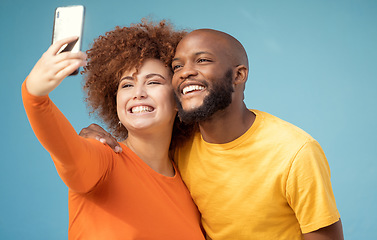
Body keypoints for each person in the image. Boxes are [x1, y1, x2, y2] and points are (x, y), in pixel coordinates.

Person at [80, 29, 344, 239]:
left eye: (202, 60)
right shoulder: (178, 148)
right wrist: (93, 139)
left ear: (238, 75)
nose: (186, 73)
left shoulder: (294, 151)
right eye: (177, 66)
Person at [22, 20, 205, 239]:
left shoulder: (189, 192)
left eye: (153, 82)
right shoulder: (104, 159)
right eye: (127, 85)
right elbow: (67, 152)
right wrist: (34, 95)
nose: (138, 93)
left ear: (178, 100)